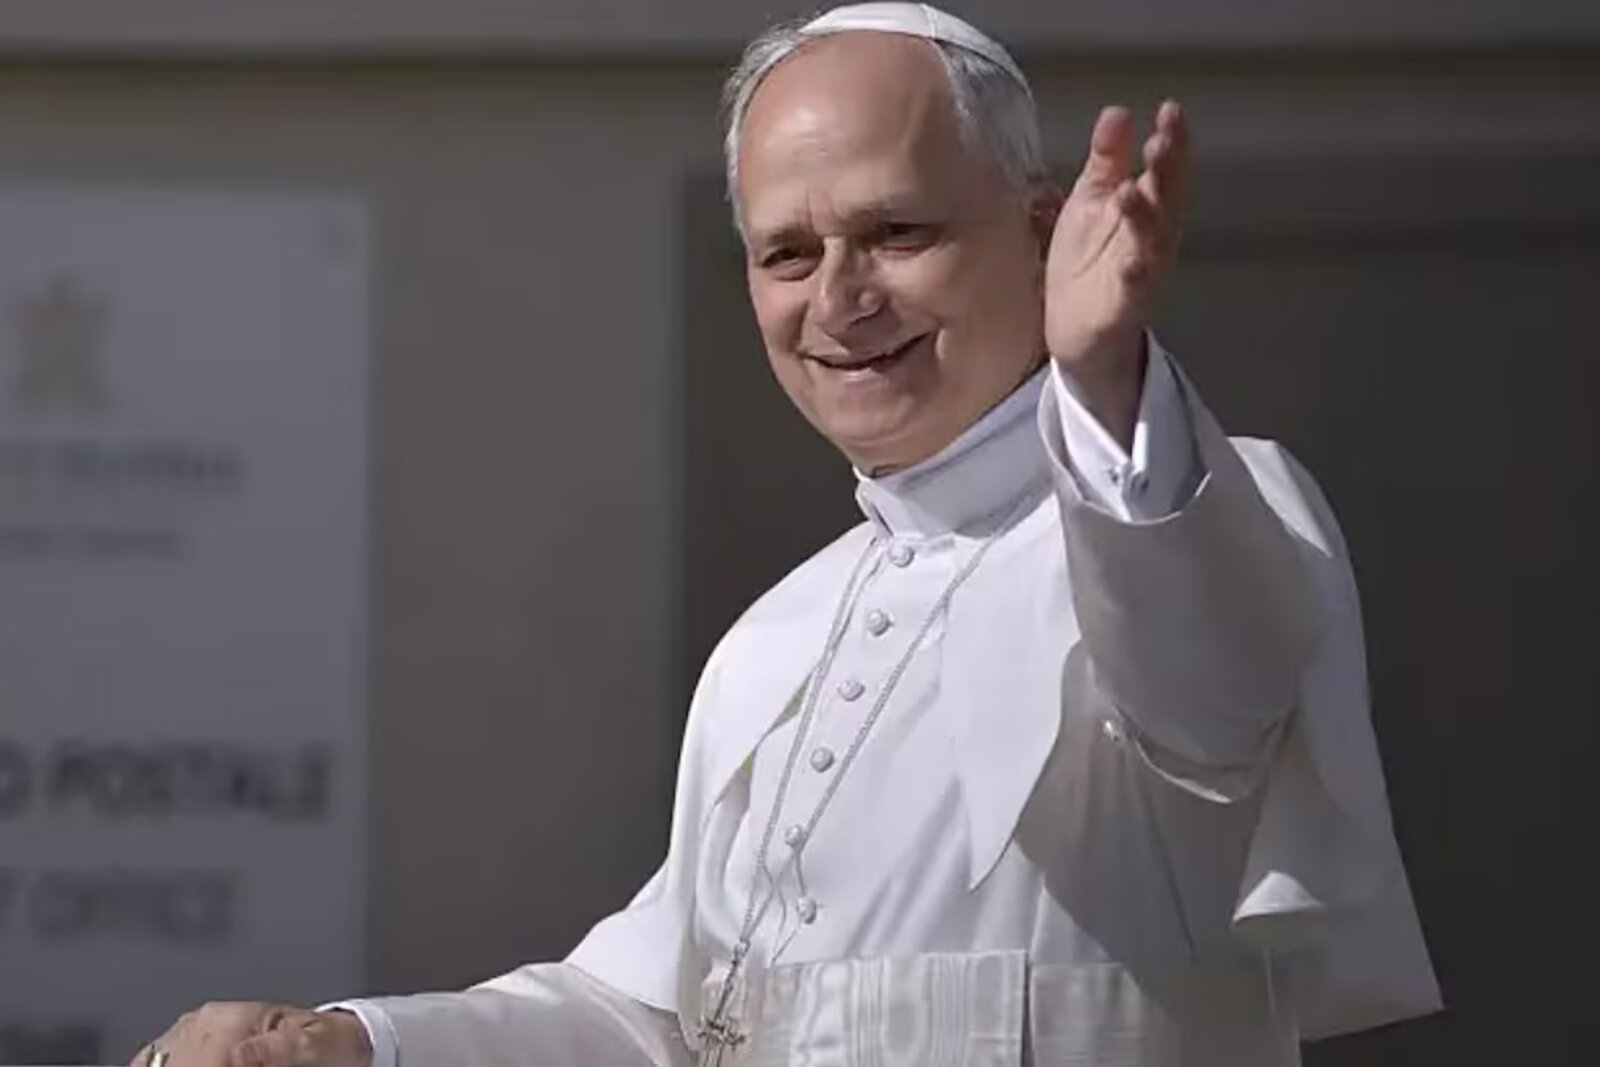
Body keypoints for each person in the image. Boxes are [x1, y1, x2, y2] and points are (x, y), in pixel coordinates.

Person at [134, 5, 1439, 1065]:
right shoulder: (778, 638)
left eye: (896, 232)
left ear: (1042, 232)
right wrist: (355, 1044)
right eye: (787, 254)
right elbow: (662, 1023)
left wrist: (1104, 381)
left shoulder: (1189, 500)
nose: (841, 299)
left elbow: (1207, 692)